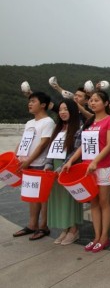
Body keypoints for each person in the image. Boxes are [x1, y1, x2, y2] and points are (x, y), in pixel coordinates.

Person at [62, 90, 110, 253]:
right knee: (93, 201)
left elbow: (109, 146)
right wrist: (71, 161)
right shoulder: (90, 122)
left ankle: (104, 237)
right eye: (91, 100)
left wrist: (96, 161)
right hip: (88, 168)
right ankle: (96, 236)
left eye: (97, 100)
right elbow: (83, 146)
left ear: (106, 103)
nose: (92, 103)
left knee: (104, 201)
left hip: (103, 167)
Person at [12, 92, 55, 240]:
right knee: (32, 196)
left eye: (33, 101)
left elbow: (43, 144)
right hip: (27, 164)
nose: (30, 104)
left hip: (39, 164)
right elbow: (24, 141)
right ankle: (32, 224)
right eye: (29, 101)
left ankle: (43, 226)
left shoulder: (48, 122)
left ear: (43, 105)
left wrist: (29, 161)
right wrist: (15, 156)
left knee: (42, 197)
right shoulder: (29, 123)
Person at [46, 99, 84, 245]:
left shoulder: (79, 128)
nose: (62, 112)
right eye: (61, 109)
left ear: (73, 111)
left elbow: (76, 150)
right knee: (59, 198)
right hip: (54, 169)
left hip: (69, 168)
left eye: (66, 109)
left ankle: (73, 230)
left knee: (69, 199)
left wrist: (62, 166)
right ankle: (65, 228)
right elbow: (51, 149)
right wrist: (48, 164)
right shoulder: (58, 128)